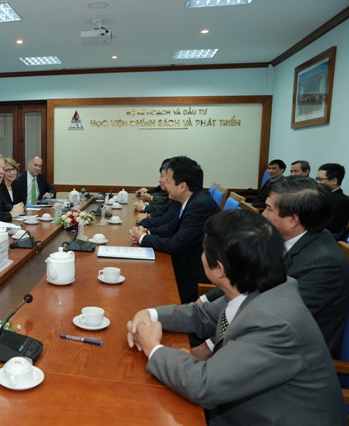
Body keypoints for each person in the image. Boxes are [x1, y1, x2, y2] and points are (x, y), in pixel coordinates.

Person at [127, 209, 345, 425]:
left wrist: (152, 347)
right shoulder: (258, 284)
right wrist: (150, 314)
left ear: (219, 269)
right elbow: (202, 314)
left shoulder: (273, 323)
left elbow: (204, 385)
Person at [200, 176, 349, 358]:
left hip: (287, 355)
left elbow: (271, 320)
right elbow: (244, 278)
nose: (263, 215)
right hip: (252, 332)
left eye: (269, 209)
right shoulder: (282, 239)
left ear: (292, 220)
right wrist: (204, 300)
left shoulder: (324, 264)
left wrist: (209, 345)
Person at [129, 156, 220, 303]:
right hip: (185, 264)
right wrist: (147, 233)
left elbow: (175, 245)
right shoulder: (193, 200)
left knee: (143, 288)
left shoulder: (200, 206)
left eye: (169, 182)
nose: (167, 186)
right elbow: (172, 227)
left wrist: (143, 239)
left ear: (182, 186)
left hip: (192, 275)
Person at [316, 163, 349, 240]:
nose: (317, 182)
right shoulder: (318, 195)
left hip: (324, 237)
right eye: (317, 179)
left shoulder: (342, 201)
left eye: (320, 179)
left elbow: (331, 227)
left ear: (334, 181)